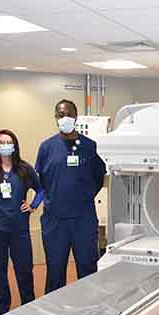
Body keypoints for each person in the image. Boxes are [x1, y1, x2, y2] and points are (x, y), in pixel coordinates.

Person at [35, 99, 106, 293]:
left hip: (83, 219)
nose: (64, 118)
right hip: (55, 221)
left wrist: (82, 197)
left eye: (68, 114)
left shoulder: (90, 147)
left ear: (76, 117)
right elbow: (41, 180)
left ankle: (91, 311)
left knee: (88, 269)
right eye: (60, 115)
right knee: (55, 270)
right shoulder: (46, 147)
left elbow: (98, 178)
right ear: (55, 118)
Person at [0, 129, 44, 315]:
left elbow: (40, 189)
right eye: (1, 142)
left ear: (14, 145)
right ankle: (3, 310)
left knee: (24, 269)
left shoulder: (24, 169)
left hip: (19, 229)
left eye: (8, 142)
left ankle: (28, 306)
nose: (5, 146)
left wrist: (33, 206)